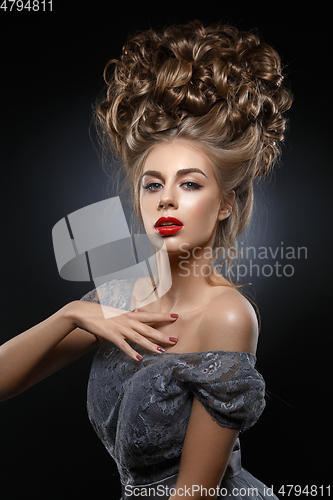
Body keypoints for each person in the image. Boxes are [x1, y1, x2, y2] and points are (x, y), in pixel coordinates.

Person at [0, 20, 292, 499]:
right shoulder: (119, 296)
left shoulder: (227, 316)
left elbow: (193, 494)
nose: (167, 200)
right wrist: (74, 313)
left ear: (224, 203)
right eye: (153, 184)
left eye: (191, 183)